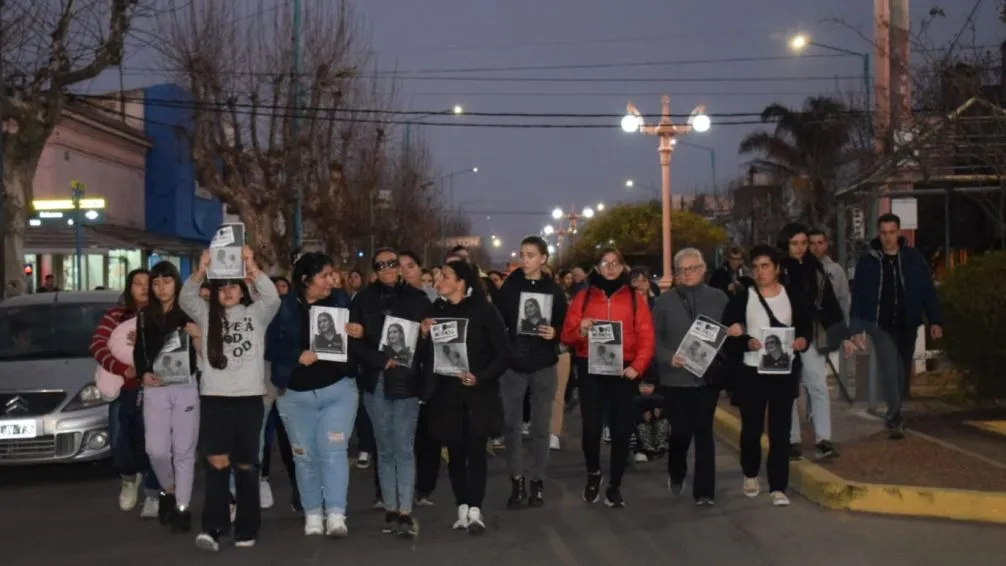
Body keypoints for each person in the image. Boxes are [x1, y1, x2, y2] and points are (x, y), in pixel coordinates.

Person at [181, 247, 281, 550]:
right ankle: (213, 528)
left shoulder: (256, 314)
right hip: (215, 399)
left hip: (249, 399)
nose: (227, 292)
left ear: (242, 291)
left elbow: (273, 297)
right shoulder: (205, 314)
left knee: (247, 465)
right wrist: (201, 269)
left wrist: (251, 266)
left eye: (233, 287)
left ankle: (247, 529)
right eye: (221, 287)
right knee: (216, 463)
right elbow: (187, 298)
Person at [266, 252, 360, 537]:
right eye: (324, 276)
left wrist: (357, 330)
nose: (331, 280)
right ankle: (312, 513)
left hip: (338, 391)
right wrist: (297, 355)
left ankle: (335, 513)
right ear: (306, 280)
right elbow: (270, 348)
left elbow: (358, 336)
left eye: (332, 274)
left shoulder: (341, 300)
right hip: (295, 396)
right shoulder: (283, 307)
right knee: (305, 456)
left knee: (333, 453)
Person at [722, 245, 817, 507]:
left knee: (780, 430)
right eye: (756, 267)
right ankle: (750, 473)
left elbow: (806, 329)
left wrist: (802, 342)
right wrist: (745, 341)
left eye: (765, 266)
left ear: (777, 268)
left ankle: (778, 486)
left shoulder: (793, 297)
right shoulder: (743, 299)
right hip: (752, 372)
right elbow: (729, 333)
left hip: (782, 372)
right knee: (751, 428)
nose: (760, 272)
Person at [561, 247, 655, 508]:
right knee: (591, 427)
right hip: (591, 367)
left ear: (622, 266)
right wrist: (580, 329)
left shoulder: (636, 299)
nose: (611, 267)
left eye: (616, 263)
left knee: (620, 429)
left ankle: (615, 484)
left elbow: (647, 336)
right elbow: (567, 335)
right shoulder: (584, 296)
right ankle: (594, 472)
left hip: (623, 370)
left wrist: (638, 365)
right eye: (605, 263)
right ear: (597, 267)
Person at [421, 260, 510, 535]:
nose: (438, 282)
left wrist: (480, 376)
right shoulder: (437, 310)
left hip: (477, 394)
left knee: (476, 452)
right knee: (455, 454)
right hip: (446, 394)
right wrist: (424, 335)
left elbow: (504, 353)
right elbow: (427, 357)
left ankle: (476, 509)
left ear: (461, 282)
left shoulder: (484, 310)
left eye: (445, 277)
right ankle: (461, 506)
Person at [350, 248, 433, 537]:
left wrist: (423, 335)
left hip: (407, 383)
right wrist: (380, 360)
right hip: (376, 381)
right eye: (380, 264)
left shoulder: (418, 299)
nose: (387, 268)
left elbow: (426, 350)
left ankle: (405, 510)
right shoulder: (362, 299)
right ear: (374, 269)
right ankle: (390, 506)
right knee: (384, 447)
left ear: (399, 267)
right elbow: (354, 343)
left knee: (404, 446)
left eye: (391, 264)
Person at [849, 213, 942, 439]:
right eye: (884, 233)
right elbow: (858, 295)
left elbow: (927, 290)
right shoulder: (868, 260)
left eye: (892, 232)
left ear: (899, 232)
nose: (888, 237)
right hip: (880, 325)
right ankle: (895, 415)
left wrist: (935, 320)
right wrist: (856, 328)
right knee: (890, 368)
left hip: (907, 322)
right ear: (878, 234)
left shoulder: (913, 258)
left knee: (902, 367)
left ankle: (896, 408)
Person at [651, 248, 731, 505]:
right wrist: (668, 357)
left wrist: (735, 330)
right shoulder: (664, 302)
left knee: (704, 434)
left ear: (703, 268)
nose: (688, 274)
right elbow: (652, 339)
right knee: (681, 433)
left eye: (692, 268)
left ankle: (705, 492)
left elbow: (730, 330)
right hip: (675, 378)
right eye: (682, 270)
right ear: (676, 274)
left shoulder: (719, 298)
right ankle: (677, 471)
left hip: (706, 380)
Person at [497, 236, 567, 509]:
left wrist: (555, 332)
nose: (524, 259)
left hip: (543, 364)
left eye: (530, 255)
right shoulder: (510, 287)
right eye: (522, 254)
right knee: (511, 425)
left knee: (541, 426)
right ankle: (516, 481)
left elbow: (564, 322)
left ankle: (537, 481)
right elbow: (498, 321)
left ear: (543, 259)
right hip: (514, 365)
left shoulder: (555, 290)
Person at [132, 261, 201, 533]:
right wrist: (142, 374)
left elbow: (204, 346)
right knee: (156, 450)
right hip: (155, 387)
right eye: (156, 283)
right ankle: (168, 490)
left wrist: (198, 334)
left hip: (185, 385)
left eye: (167, 282)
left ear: (176, 282)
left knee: (184, 451)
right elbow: (140, 349)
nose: (161, 288)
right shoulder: (144, 314)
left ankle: (183, 507)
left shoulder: (189, 310)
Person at [90, 268, 161, 516]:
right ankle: (129, 478)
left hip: (155, 391)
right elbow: (98, 345)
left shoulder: (163, 316)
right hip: (123, 390)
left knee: (153, 443)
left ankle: (154, 493)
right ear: (129, 288)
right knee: (121, 440)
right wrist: (123, 369)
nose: (142, 287)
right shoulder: (115, 315)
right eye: (137, 283)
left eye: (147, 283)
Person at [777, 223, 847, 460]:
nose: (800, 248)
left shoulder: (815, 268)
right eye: (795, 243)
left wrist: (836, 330)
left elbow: (829, 302)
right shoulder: (779, 269)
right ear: (786, 244)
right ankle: (792, 440)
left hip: (811, 336)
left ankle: (823, 439)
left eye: (803, 243)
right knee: (788, 391)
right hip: (783, 337)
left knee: (817, 386)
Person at [808, 229, 850, 318]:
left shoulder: (836, 270)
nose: (816, 247)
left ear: (826, 245)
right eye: (812, 243)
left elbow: (844, 301)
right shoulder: (802, 269)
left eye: (820, 243)